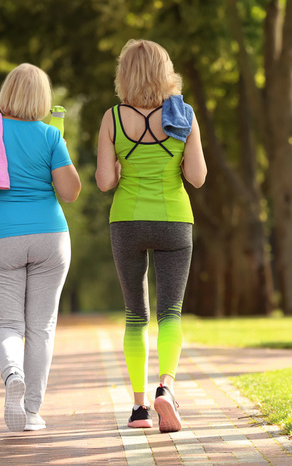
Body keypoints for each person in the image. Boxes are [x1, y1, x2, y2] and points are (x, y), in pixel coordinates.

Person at [0, 63, 81, 432]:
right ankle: (32, 412)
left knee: (7, 324)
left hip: (1, 237)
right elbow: (71, 192)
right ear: (43, 98)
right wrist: (58, 145)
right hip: (50, 236)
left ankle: (13, 375)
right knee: (41, 328)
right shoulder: (50, 136)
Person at [96, 39, 207, 433]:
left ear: (124, 74)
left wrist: (128, 166)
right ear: (166, 72)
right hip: (175, 220)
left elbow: (106, 181)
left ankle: (140, 409)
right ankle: (166, 389)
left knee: (134, 315)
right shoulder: (184, 115)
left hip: (126, 221)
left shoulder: (112, 117)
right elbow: (196, 177)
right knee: (170, 312)